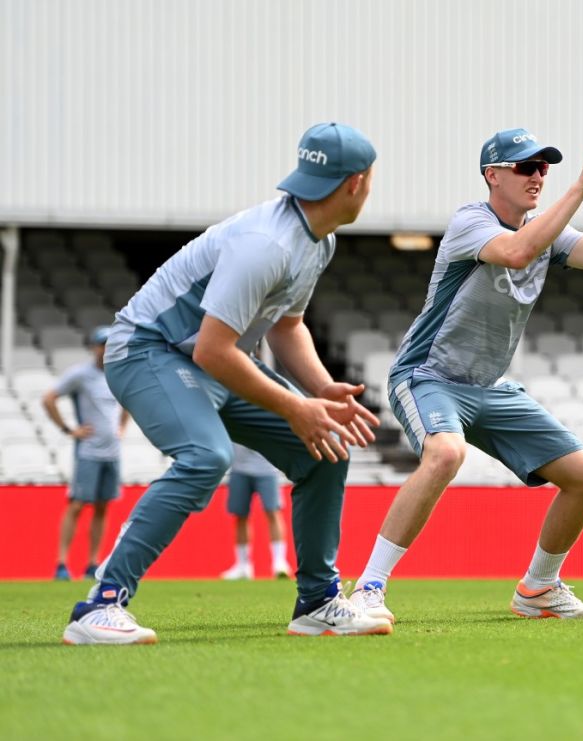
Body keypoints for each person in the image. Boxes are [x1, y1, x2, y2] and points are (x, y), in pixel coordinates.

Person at [62, 122, 392, 645]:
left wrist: (320, 390)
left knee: (325, 450)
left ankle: (317, 603)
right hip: (148, 349)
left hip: (205, 357)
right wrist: (293, 406)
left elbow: (287, 326)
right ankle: (99, 605)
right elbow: (214, 349)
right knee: (204, 455)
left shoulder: (316, 239)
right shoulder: (266, 244)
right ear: (356, 183)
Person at [348, 122, 583, 622]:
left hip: (487, 386)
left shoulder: (546, 229)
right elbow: (516, 251)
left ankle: (538, 589)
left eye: (544, 168)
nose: (539, 176)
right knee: (446, 453)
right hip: (428, 376)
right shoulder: (472, 221)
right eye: (526, 167)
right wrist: (582, 186)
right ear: (492, 175)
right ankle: (369, 587)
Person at [43, 327, 130, 581]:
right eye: (102, 344)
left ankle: (93, 563)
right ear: (94, 347)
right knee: (77, 505)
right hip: (89, 451)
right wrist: (68, 430)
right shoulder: (81, 375)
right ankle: (61, 563)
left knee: (103, 507)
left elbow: (128, 402)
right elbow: (49, 398)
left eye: (109, 344)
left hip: (112, 452)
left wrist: (122, 428)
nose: (105, 349)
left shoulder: (118, 374)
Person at [220, 443, 291, 580]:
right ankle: (243, 566)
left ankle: (279, 563)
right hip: (239, 469)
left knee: (273, 512)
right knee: (240, 516)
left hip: (268, 469)